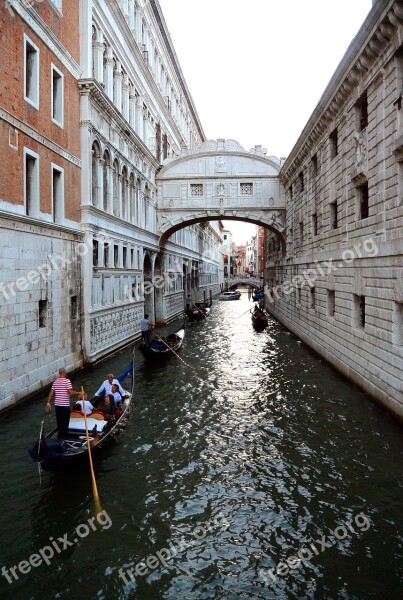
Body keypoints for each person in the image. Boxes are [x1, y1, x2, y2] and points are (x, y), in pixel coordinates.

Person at [46, 367, 86, 439]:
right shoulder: (67, 381)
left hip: (57, 406)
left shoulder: (55, 381)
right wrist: (80, 392)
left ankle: (60, 437)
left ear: (59, 374)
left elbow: (51, 392)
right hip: (64, 406)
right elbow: (70, 392)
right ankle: (64, 438)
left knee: (59, 423)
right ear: (65, 373)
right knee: (65, 423)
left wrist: (48, 403)